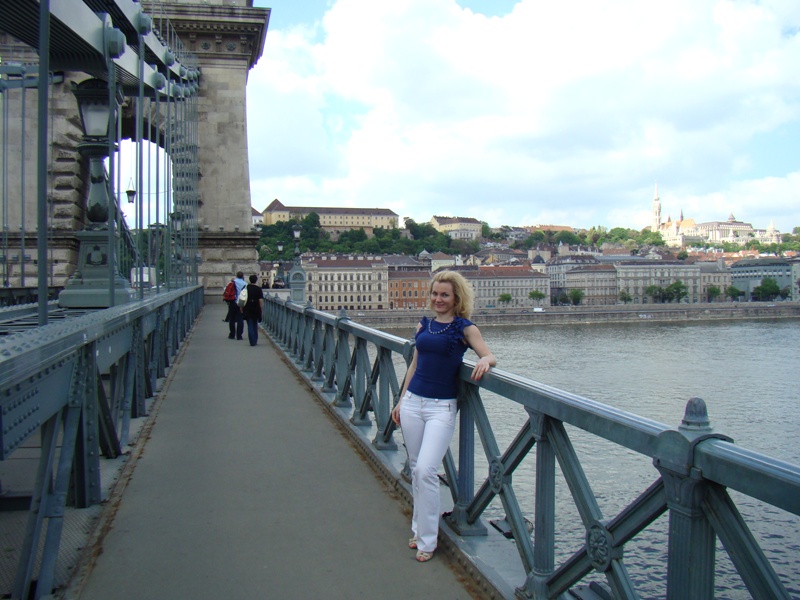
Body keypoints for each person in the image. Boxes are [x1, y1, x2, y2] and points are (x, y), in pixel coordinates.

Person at [390, 270, 496, 563]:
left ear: (456, 298)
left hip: (441, 407)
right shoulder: (423, 325)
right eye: (435, 293)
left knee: (426, 470)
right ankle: (419, 528)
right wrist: (401, 401)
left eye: (444, 294)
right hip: (413, 403)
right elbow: (414, 365)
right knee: (416, 469)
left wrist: (485, 360)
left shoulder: (465, 328)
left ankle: (427, 540)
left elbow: (488, 355)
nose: (438, 299)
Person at [241, 274, 265, 346]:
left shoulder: (245, 288)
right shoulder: (258, 289)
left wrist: (241, 308)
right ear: (256, 280)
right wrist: (261, 309)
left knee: (250, 324)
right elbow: (260, 301)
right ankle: (255, 340)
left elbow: (242, 299)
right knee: (255, 324)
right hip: (256, 307)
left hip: (247, 307)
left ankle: (251, 341)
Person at [228, 271, 247, 340]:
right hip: (241, 302)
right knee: (240, 319)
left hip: (233, 301)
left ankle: (232, 334)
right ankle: (239, 336)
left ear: (236, 275)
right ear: (242, 276)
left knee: (232, 318)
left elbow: (226, 290)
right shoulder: (245, 284)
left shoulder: (233, 282)